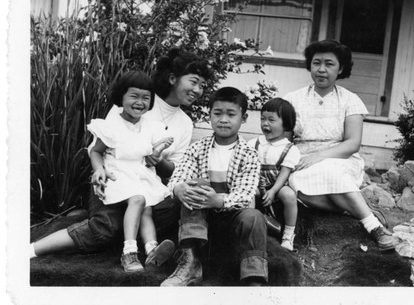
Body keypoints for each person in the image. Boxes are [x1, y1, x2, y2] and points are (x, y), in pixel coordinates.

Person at [30, 48, 213, 265]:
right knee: (106, 228)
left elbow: (176, 168)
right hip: (114, 178)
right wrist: (99, 171)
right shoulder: (136, 104)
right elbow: (99, 148)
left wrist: (159, 161)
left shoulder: (184, 123)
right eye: (193, 82)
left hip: (147, 184)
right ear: (173, 78)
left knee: (171, 208)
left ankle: (161, 251)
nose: (198, 90)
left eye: (202, 85)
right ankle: (37, 248)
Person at [283, 39, 395, 251]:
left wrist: (319, 156)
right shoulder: (292, 99)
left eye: (329, 64)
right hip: (302, 160)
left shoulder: (350, 100)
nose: (322, 69)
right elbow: (285, 140)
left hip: (340, 159)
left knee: (329, 172)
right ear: (310, 65)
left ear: (341, 68)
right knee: (295, 187)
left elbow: (352, 143)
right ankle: (353, 207)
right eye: (316, 63)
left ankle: (374, 227)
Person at [160, 87, 267, 287]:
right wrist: (178, 189)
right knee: (194, 186)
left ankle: (254, 279)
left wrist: (218, 200)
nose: (223, 119)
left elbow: (245, 195)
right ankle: (190, 262)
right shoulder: (197, 148)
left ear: (243, 118)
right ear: (209, 116)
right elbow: (176, 178)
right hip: (198, 219)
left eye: (231, 114)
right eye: (217, 113)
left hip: (231, 219)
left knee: (254, 216)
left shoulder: (248, 154)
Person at [86, 70, 175, 272]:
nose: (140, 102)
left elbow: (149, 155)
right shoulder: (111, 125)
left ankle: (152, 248)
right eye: (134, 96)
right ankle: (129, 252)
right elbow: (96, 152)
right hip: (117, 174)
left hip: (140, 174)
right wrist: (98, 169)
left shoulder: (151, 127)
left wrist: (157, 152)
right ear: (121, 96)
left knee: (146, 209)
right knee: (137, 199)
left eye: (146, 98)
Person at [248, 98, 300, 251]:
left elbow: (285, 172)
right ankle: (249, 228)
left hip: (278, 185)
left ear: (286, 124)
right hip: (256, 183)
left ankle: (288, 235)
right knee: (249, 193)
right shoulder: (253, 143)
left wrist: (273, 190)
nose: (265, 123)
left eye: (271, 120)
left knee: (289, 196)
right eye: (262, 119)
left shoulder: (289, 149)